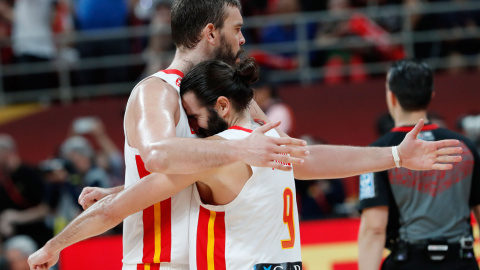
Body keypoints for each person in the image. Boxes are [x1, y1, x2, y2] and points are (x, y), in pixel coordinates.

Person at [27, 55, 463, 270]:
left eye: (195, 116)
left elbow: (114, 213)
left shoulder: (221, 154)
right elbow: (326, 158)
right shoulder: (275, 143)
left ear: (220, 105)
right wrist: (393, 155)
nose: (193, 128)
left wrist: (52, 247)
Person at [30, 1, 310, 270]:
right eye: (236, 28)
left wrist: (124, 188)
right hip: (159, 261)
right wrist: (55, 245)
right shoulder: (156, 90)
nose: (243, 39)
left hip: (212, 259)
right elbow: (158, 157)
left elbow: (288, 155)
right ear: (210, 32)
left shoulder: (228, 96)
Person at [357, 59, 480, 270]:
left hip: (409, 261)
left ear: (391, 97)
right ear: (431, 95)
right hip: (461, 261)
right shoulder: (464, 147)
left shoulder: (378, 152)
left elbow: (374, 229)